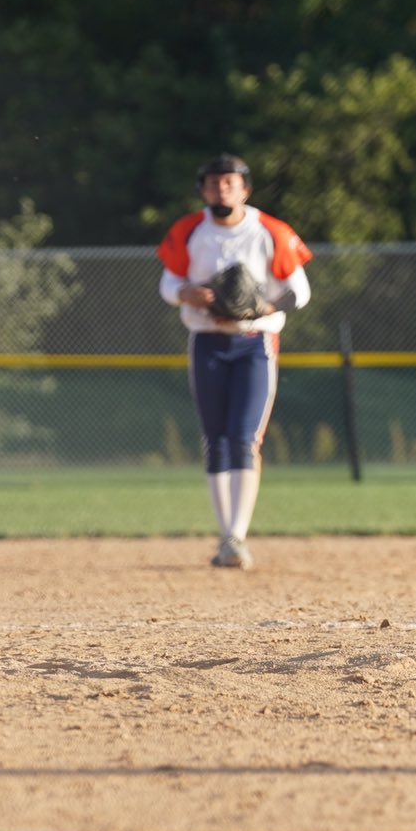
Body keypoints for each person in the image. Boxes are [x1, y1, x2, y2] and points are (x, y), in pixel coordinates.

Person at [156, 154, 313, 570]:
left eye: (229, 182)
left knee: (244, 438)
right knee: (215, 439)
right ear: (203, 190)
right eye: (213, 183)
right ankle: (226, 535)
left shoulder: (268, 231)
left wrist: (261, 306)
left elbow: (299, 291)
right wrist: (185, 293)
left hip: (254, 344)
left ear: (245, 189)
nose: (221, 189)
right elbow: (168, 281)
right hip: (207, 341)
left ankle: (237, 536)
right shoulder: (190, 231)